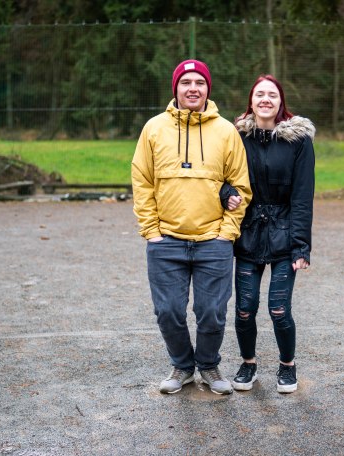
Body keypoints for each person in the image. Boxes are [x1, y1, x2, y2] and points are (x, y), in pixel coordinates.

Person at [131, 60, 252, 395]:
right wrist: (152, 231)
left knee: (211, 312)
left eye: (200, 82)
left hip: (213, 241)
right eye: (186, 82)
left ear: (208, 89)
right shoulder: (154, 129)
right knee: (168, 311)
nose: (193, 88)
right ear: (176, 88)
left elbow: (241, 186)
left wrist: (226, 233)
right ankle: (182, 367)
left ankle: (209, 365)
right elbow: (142, 182)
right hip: (166, 240)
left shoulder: (226, 131)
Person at [221, 74, 315, 394]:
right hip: (247, 234)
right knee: (245, 308)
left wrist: (301, 246)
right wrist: (225, 194)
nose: (265, 99)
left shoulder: (298, 141)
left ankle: (287, 365)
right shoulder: (235, 137)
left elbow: (302, 196)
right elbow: (220, 176)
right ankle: (248, 363)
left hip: (284, 236)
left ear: (280, 102)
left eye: (272, 95)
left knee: (279, 309)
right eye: (259, 94)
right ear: (251, 101)